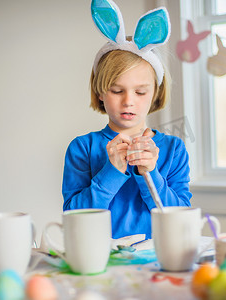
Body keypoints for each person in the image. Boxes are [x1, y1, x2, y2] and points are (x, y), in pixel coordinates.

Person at [62, 0, 192, 239]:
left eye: (140, 92)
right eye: (116, 90)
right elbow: (73, 218)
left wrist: (151, 173)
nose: (128, 101)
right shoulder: (82, 148)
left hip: (157, 261)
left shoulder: (174, 149)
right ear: (100, 92)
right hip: (101, 260)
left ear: (155, 93)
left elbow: (181, 218)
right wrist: (111, 172)